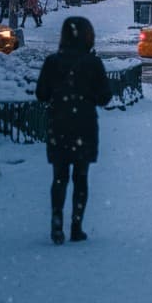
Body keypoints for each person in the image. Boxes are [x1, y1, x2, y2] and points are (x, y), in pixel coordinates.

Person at [35, 17, 112, 244]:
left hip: (59, 123)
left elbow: (41, 94)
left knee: (59, 177)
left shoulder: (52, 62)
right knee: (81, 177)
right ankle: (76, 226)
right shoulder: (93, 63)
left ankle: (56, 225)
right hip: (84, 125)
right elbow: (105, 97)